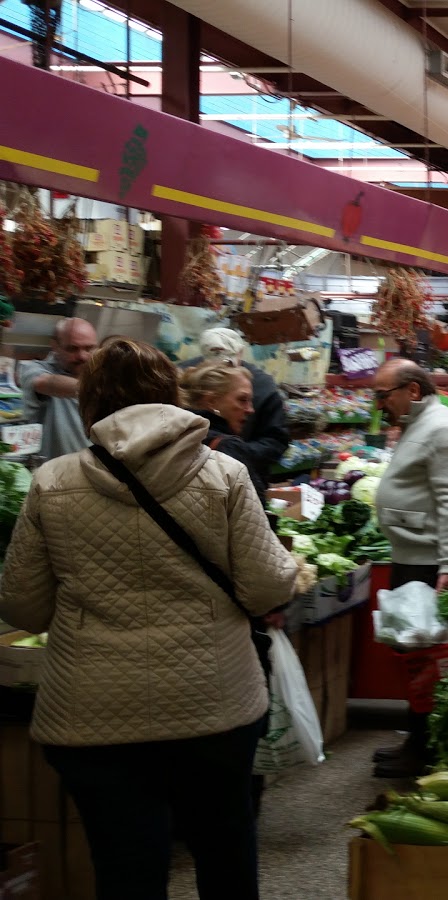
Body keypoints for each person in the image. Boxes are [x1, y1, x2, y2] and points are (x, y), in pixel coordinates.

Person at [0, 337, 299, 900]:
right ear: (170, 394)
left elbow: (23, 605)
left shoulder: (52, 483)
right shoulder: (224, 473)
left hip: (93, 711)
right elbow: (265, 587)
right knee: (225, 849)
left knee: (125, 865)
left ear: (89, 405)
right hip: (215, 702)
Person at [369, 358, 448, 777]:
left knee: (427, 662)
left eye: (383, 394)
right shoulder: (418, 424)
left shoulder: (441, 428)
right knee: (412, 656)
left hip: (428, 564)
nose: (380, 404)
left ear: (412, 391)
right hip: (411, 556)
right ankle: (417, 739)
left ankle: (426, 749)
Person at [181, 328, 290, 481]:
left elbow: (276, 440)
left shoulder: (263, 386)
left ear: (240, 353)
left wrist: (235, 453)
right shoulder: (182, 377)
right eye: (242, 400)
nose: (249, 409)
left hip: (245, 472)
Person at [180, 362, 265, 501]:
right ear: (212, 401)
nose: (251, 410)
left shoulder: (174, 435)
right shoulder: (227, 446)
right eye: (242, 400)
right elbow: (255, 510)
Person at [19, 317, 98, 461]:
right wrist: (102, 389)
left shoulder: (100, 375)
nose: (82, 356)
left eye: (89, 348)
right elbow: (45, 383)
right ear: (55, 346)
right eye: (72, 349)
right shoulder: (34, 369)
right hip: (51, 475)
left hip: (92, 472)